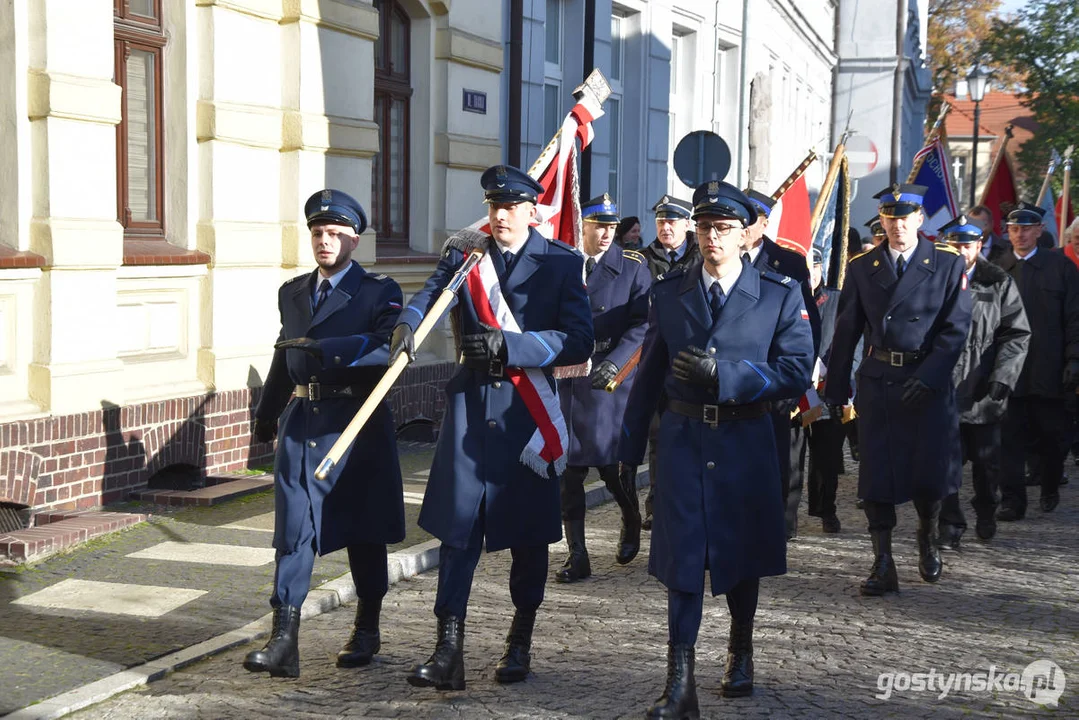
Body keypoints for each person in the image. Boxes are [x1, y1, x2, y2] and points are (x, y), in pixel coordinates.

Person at [390, 165, 594, 690]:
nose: (499, 215)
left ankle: (519, 642)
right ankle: (447, 652)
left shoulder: (561, 264)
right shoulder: (467, 255)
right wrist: (408, 324)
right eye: (492, 206)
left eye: (510, 207)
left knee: (527, 538)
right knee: (458, 533)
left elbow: (579, 341)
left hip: (528, 419)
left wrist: (513, 346)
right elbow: (432, 293)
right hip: (471, 410)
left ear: (532, 211)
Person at [619, 180, 813, 715]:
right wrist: (628, 445)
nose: (712, 239)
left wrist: (727, 375)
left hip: (745, 442)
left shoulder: (777, 292)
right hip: (682, 442)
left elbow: (795, 372)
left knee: (740, 557)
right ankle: (679, 683)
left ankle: (741, 649)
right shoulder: (670, 291)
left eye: (724, 229)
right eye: (704, 228)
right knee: (683, 561)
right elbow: (650, 374)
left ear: (746, 234)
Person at [244, 189, 405, 678]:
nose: (324, 241)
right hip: (302, 423)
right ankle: (283, 641)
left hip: (356, 425)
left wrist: (328, 350)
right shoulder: (291, 291)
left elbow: (389, 351)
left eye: (335, 234)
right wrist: (266, 413)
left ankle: (367, 628)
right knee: (292, 532)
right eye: (317, 232)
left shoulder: (381, 291)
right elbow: (282, 353)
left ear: (354, 239)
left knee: (364, 529)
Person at [823, 183, 972, 596]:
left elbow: (955, 329)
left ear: (920, 220)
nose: (898, 226)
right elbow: (847, 329)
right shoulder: (862, 265)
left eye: (905, 218)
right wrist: (835, 390)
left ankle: (927, 534)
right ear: (883, 222)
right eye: (890, 218)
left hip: (928, 381)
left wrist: (929, 377)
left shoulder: (946, 264)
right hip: (881, 381)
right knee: (877, 473)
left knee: (929, 472)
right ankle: (882, 560)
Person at [555, 194, 651, 582]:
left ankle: (629, 516)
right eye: (599, 226)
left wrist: (617, 364)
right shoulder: (564, 265)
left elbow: (643, 325)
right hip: (567, 378)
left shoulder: (632, 268)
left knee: (610, 470)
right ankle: (577, 555)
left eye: (612, 227)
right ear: (584, 226)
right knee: (569, 473)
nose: (607, 233)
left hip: (608, 380)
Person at [936, 214, 1030, 548]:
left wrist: (1002, 381)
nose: (961, 251)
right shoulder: (933, 278)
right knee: (945, 464)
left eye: (967, 244)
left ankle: (987, 509)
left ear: (979, 245)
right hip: (943, 389)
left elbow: (1016, 335)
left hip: (983, 388)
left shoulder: (997, 280)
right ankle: (949, 525)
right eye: (955, 244)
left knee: (987, 464)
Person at [742, 188, 822, 539]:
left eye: (750, 220)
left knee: (781, 459)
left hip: (774, 380)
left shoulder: (788, 263)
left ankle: (778, 526)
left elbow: (808, 325)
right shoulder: (715, 259)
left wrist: (796, 379)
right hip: (732, 378)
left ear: (764, 222)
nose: (742, 227)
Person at [994, 203, 1079, 521]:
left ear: (1039, 230)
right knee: (1008, 439)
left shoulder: (1060, 268)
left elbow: (1074, 317)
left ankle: (1050, 483)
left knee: (1053, 437)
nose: (1020, 234)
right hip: (1008, 369)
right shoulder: (997, 267)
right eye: (1014, 229)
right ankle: (1012, 500)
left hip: (1050, 368)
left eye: (1027, 228)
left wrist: (1074, 359)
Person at [639, 195, 700, 531]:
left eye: (672, 222)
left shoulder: (701, 257)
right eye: (661, 221)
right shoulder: (642, 259)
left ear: (686, 224)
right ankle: (656, 504)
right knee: (657, 437)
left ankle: (687, 502)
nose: (665, 227)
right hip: (653, 360)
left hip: (688, 360)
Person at [804, 248, 849, 534]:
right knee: (791, 457)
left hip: (828, 386)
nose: (811, 275)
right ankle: (786, 516)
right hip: (796, 386)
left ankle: (826, 509)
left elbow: (849, 338)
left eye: (815, 268)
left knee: (827, 456)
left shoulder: (836, 299)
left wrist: (832, 369)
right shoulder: (787, 294)